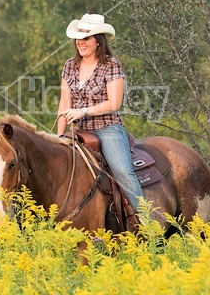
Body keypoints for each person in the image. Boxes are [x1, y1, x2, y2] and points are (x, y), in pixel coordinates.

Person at [56, 13, 144, 225]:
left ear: (98, 41)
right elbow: (64, 103)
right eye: (79, 38)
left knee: (122, 172)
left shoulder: (111, 65)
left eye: (86, 38)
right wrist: (58, 136)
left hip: (107, 128)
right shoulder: (70, 65)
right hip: (79, 131)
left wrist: (83, 111)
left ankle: (146, 223)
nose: (80, 42)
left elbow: (114, 103)